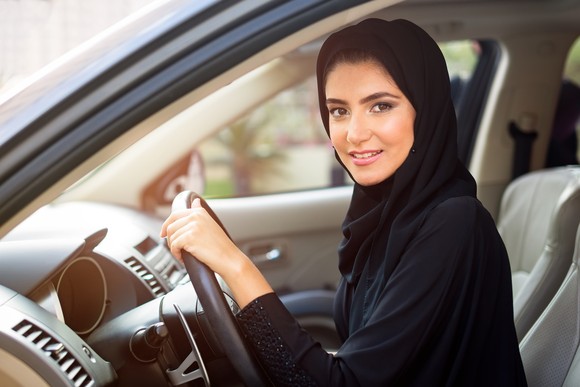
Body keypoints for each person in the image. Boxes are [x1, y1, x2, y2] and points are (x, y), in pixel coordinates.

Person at [161, 18, 527, 386]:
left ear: (425, 110)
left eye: (381, 106)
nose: (354, 134)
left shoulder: (453, 224)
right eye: (339, 110)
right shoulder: (384, 214)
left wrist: (234, 265)